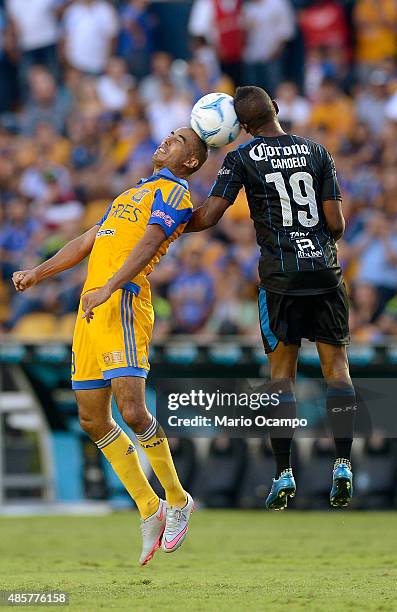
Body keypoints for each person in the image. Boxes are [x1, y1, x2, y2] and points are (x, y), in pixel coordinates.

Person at [12, 127, 208, 564]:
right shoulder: (131, 193)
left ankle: (177, 499)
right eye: (171, 135)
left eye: (177, 141)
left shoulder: (176, 193)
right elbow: (87, 241)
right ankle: (148, 507)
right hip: (92, 308)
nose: (166, 140)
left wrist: (109, 287)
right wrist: (38, 273)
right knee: (91, 418)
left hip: (122, 301)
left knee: (133, 410)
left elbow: (152, 242)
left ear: (190, 161)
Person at [186, 86, 356, 510]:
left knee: (282, 378)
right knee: (337, 370)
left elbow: (208, 217)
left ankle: (283, 471)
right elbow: (336, 223)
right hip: (324, 273)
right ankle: (343, 463)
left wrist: (164, 223)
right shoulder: (318, 152)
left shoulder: (240, 158)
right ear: (276, 109)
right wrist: (316, 239)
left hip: (280, 280)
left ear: (242, 128)